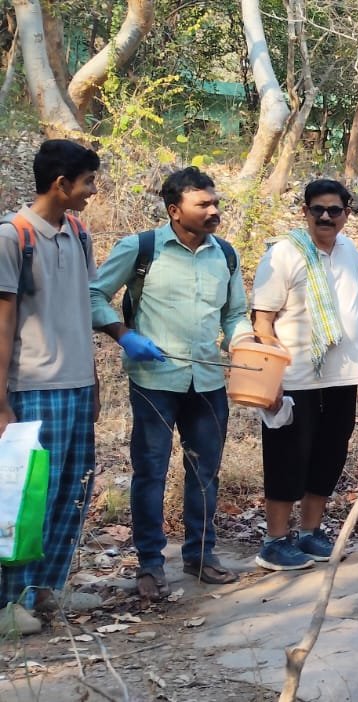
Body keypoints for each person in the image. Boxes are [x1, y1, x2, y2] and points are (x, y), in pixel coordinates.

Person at [89, 167, 247, 597]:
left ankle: (200, 556)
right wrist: (124, 336)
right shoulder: (141, 249)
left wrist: (244, 342)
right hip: (154, 380)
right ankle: (150, 565)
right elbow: (91, 295)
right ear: (175, 211)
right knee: (150, 473)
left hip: (209, 382)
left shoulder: (226, 255)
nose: (214, 211)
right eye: (204, 204)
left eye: (215, 202)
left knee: (205, 473)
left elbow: (234, 314)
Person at [0, 140, 101, 634]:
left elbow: (83, 308)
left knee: (73, 489)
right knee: (27, 494)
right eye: (86, 183)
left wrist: (96, 378)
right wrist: (0, 402)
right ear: (61, 184)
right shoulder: (13, 235)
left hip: (78, 384)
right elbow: (2, 324)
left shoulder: (79, 233)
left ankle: (45, 587)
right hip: (34, 387)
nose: (91, 192)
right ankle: (8, 600)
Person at [249, 179, 358, 571]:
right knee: (286, 457)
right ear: (305, 212)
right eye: (318, 209)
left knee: (329, 456)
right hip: (295, 377)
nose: (326, 217)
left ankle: (310, 533)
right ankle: (274, 540)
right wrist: (271, 377)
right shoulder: (283, 254)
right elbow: (262, 320)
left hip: (341, 376)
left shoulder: (353, 253)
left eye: (335, 210)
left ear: (347, 214)